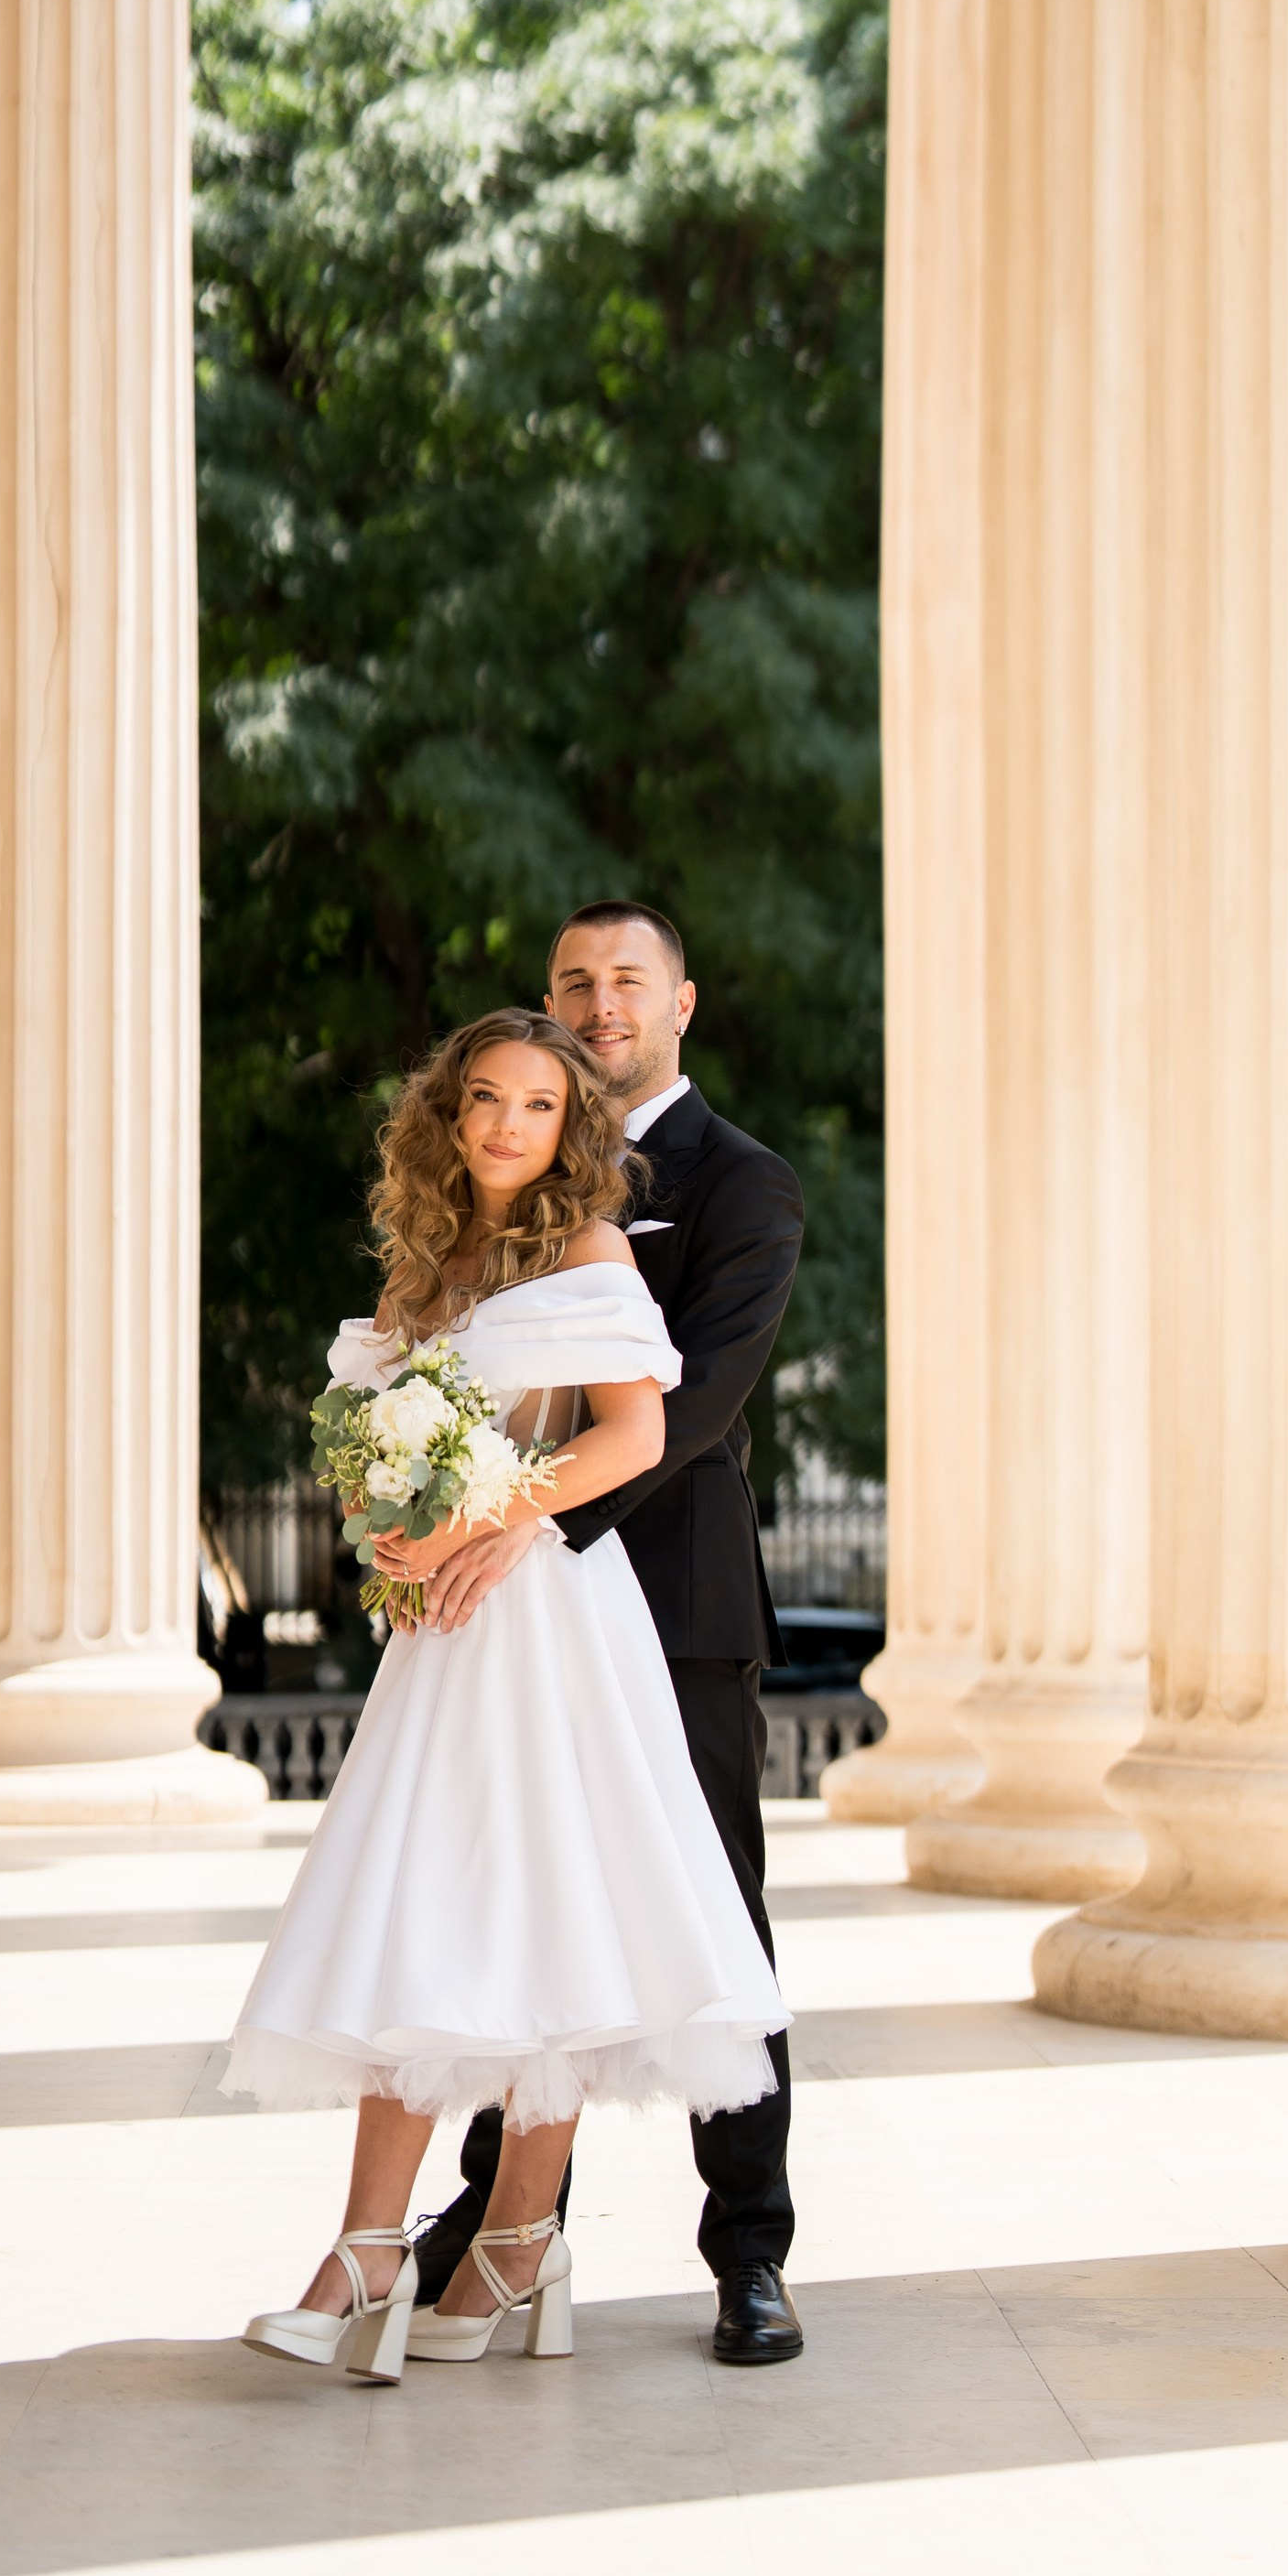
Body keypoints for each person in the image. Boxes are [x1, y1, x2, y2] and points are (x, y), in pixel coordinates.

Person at [227, 1006, 788, 2378]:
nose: (503, 1126)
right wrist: (389, 1526)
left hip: (542, 1610)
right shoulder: (429, 1268)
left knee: (558, 1918)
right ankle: (406, 2253)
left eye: (537, 1107)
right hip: (440, 1631)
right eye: (483, 1099)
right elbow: (373, 1444)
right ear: (446, 1114)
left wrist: (489, 1521)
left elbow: (636, 1434)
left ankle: (486, 2249)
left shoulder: (593, 1250)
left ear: (568, 1128)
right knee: (413, 1903)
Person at [411, 899, 807, 2367]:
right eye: (571, 980)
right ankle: (503, 2224)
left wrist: (528, 1525)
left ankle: (749, 2254)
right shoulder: (500, 1189)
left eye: (624, 980)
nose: (597, 1002)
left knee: (716, 1929)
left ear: (680, 1003)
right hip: (518, 1616)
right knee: (519, 1914)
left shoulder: (743, 1185)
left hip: (671, 1606)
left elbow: (690, 1411)